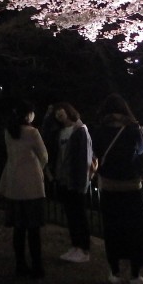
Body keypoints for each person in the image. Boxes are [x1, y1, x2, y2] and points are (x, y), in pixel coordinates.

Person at [93, 93, 143, 284]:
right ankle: (135, 274)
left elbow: (96, 152)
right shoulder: (133, 129)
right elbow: (141, 149)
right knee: (135, 229)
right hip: (131, 185)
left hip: (108, 185)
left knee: (112, 229)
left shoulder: (99, 130)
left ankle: (114, 271)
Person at [0, 100, 48, 279]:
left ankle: (20, 265)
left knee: (19, 229)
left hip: (14, 184)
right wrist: (36, 168)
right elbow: (44, 156)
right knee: (33, 230)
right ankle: (37, 267)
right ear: (28, 114)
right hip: (32, 186)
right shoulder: (32, 132)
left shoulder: (8, 132)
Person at [52, 101, 94, 264]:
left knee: (79, 215)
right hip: (64, 178)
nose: (58, 114)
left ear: (68, 110)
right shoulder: (61, 131)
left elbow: (83, 158)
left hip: (76, 180)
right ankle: (75, 246)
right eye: (56, 113)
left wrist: (81, 182)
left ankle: (84, 249)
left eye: (60, 110)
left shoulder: (80, 130)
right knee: (71, 214)